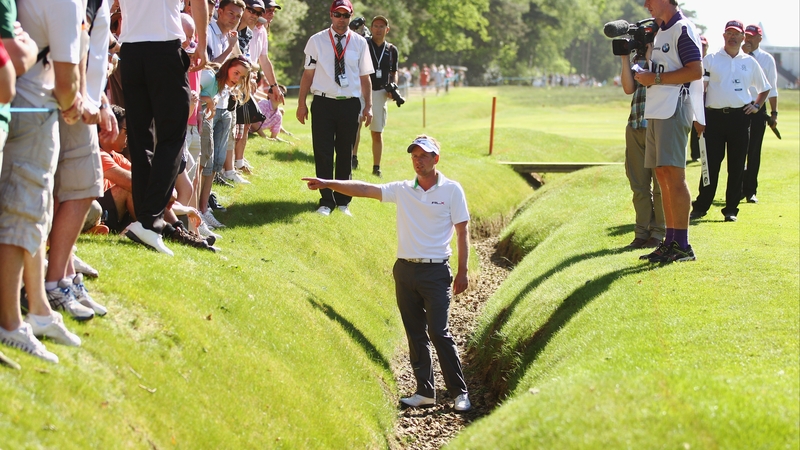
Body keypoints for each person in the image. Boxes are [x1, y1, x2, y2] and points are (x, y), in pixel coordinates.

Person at [302, 135, 472, 412]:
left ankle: (459, 392)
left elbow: (463, 231)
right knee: (415, 333)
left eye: (424, 156)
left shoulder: (452, 190)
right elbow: (366, 188)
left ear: (436, 159)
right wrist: (327, 183)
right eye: (414, 156)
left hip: (436, 271)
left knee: (439, 333)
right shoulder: (404, 189)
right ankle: (425, 391)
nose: (418, 161)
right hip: (404, 270)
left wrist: (462, 272)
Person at [0, 0, 84, 364]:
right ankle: (10, 323)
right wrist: (74, 104)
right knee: (21, 215)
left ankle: (38, 311)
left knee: (34, 212)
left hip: (25, 106)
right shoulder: (64, 4)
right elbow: (66, 81)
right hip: (34, 108)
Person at [118, 0, 208, 256]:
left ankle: (146, 219)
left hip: (131, 53)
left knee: (140, 138)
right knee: (172, 138)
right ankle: (150, 219)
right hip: (163, 50)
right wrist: (201, 44)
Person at [634, 0, 704, 263]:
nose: (645, 4)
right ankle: (670, 241)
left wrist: (656, 79)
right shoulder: (661, 30)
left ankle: (683, 245)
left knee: (674, 176)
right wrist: (646, 73)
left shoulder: (682, 28)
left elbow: (695, 71)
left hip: (674, 107)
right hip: (657, 108)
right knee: (662, 176)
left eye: (649, 0)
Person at [296, 0, 373, 217]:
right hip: (323, 102)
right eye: (337, 15)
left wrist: (368, 106)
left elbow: (365, 77)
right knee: (323, 152)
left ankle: (343, 201)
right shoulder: (317, 40)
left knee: (345, 153)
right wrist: (301, 103)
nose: (341, 19)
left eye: (345, 16)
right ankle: (326, 200)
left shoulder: (359, 43)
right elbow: (307, 74)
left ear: (351, 16)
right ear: (331, 15)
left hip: (349, 103)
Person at [689, 20, 769, 223]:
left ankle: (731, 209)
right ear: (724, 36)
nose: (733, 37)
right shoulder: (712, 59)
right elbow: (700, 90)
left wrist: (757, 106)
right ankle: (701, 206)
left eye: (737, 34)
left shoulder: (749, 62)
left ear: (743, 38)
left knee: (736, 166)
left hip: (739, 118)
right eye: (729, 33)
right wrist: (698, 117)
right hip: (713, 118)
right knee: (710, 165)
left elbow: (764, 88)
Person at [620, 44, 665, 249]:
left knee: (659, 186)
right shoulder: (637, 59)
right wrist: (624, 59)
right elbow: (629, 88)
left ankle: (658, 232)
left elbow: (657, 82)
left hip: (656, 126)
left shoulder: (664, 56)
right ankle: (641, 232)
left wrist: (650, 57)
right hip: (635, 124)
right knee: (638, 184)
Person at [741, 24, 779, 204]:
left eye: (751, 36)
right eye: (746, 36)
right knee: (738, 150)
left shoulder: (766, 59)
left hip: (758, 108)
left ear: (759, 39)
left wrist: (774, 113)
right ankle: (737, 188)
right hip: (739, 107)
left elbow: (771, 88)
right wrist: (744, 54)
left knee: (754, 151)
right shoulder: (737, 56)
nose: (748, 39)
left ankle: (750, 190)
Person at [364, 15, 398, 178]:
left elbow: (393, 72)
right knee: (354, 127)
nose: (378, 29)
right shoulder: (364, 44)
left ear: (387, 29)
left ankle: (376, 167)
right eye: (375, 26)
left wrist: (394, 87)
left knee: (377, 131)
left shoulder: (392, 50)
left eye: (382, 26)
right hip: (361, 90)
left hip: (380, 92)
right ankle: (353, 159)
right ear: (371, 29)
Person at [688, 35, 709, 162]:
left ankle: (705, 153)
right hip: (693, 97)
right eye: (700, 45)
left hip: (707, 98)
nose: (702, 48)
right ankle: (695, 154)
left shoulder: (710, 61)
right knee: (694, 125)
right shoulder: (691, 61)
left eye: (704, 45)